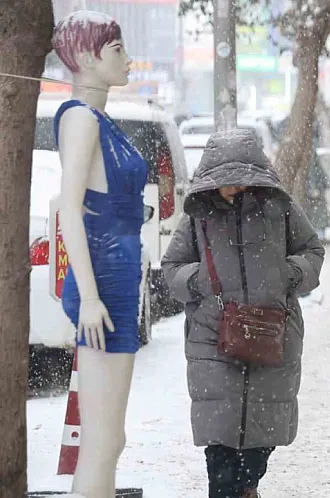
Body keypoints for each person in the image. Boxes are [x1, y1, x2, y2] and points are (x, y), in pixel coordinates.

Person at [161, 129, 325, 498]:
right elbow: (171, 267)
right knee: (219, 440)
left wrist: (290, 274)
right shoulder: (198, 217)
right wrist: (201, 281)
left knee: (260, 440)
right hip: (211, 337)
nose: (233, 187)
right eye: (225, 180)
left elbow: (312, 250)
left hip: (272, 331)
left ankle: (248, 485)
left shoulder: (279, 209)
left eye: (241, 179)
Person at [52, 11, 145, 495]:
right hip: (103, 283)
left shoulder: (97, 119)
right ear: (86, 58)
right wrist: (89, 296)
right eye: (116, 51)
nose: (127, 60)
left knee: (111, 438)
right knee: (103, 439)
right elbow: (69, 210)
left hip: (116, 280)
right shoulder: (81, 119)